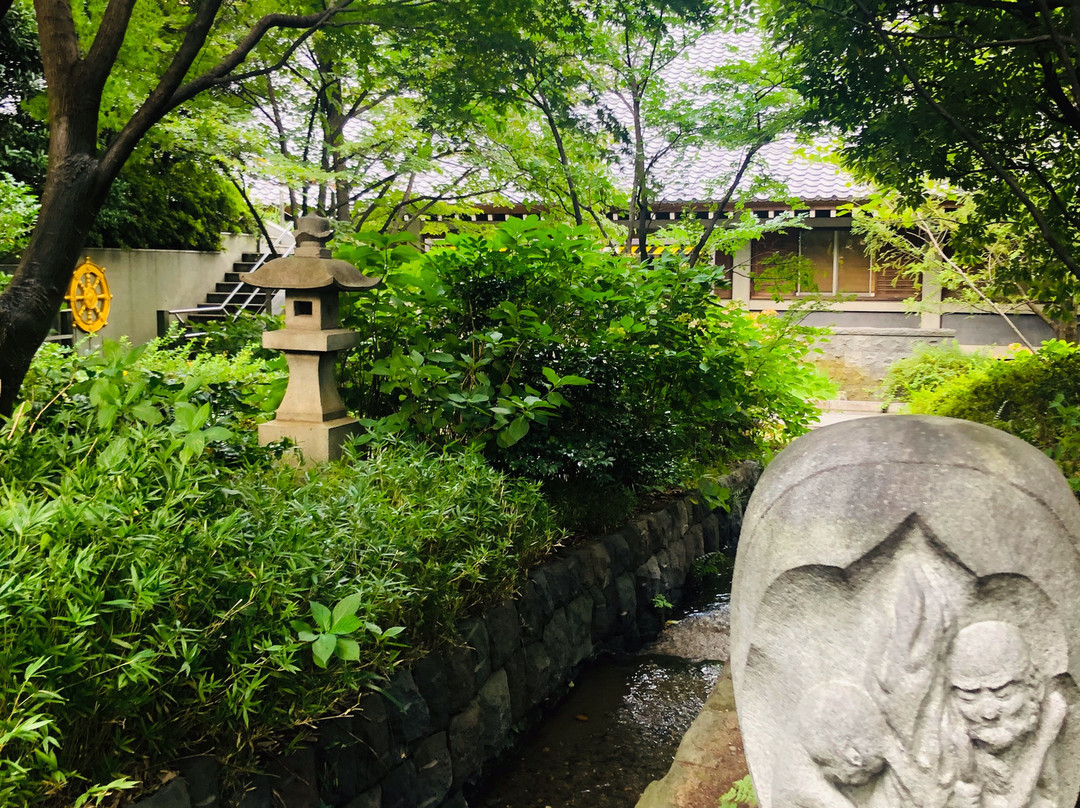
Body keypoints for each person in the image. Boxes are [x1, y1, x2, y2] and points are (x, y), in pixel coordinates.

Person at [946, 621, 1066, 808]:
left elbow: (1050, 797)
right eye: (968, 697)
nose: (988, 713)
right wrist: (1045, 734)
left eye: (1003, 695)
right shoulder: (948, 748)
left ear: (1035, 688)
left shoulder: (1027, 732)